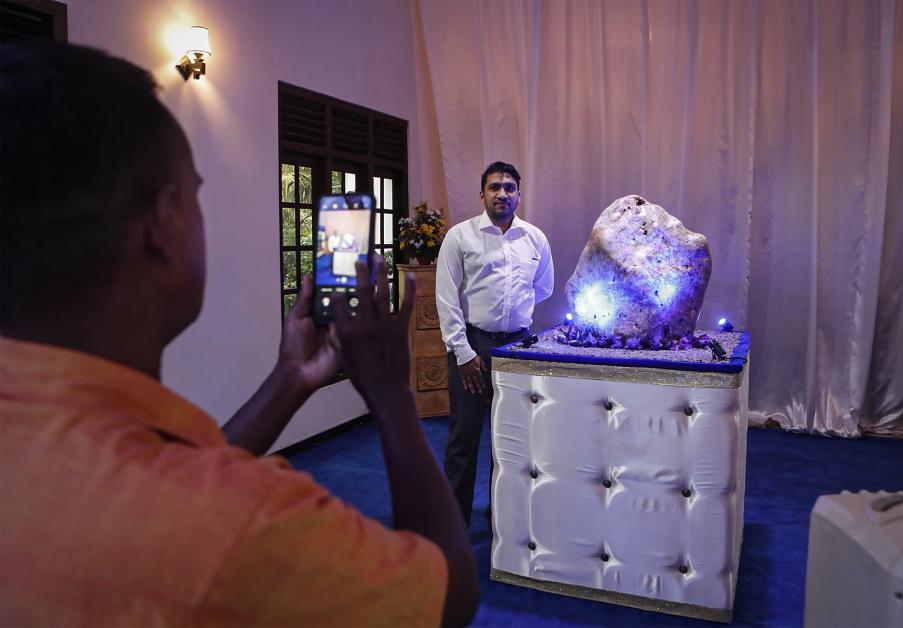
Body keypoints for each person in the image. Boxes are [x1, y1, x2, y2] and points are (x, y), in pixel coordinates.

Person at [0, 41, 478, 626]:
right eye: (196, 196)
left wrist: (289, 381)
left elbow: (155, 475)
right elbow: (445, 594)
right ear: (160, 224)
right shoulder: (242, 526)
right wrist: (393, 395)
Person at [435, 161, 554, 525]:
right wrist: (463, 351)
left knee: (512, 441)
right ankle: (455, 521)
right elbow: (446, 296)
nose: (502, 193)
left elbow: (543, 287)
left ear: (519, 193)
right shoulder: (460, 236)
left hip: (517, 350)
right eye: (494, 187)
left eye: (509, 187)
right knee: (463, 438)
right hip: (472, 347)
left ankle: (502, 514)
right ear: (481, 194)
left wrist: (516, 320)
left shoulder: (535, 238)